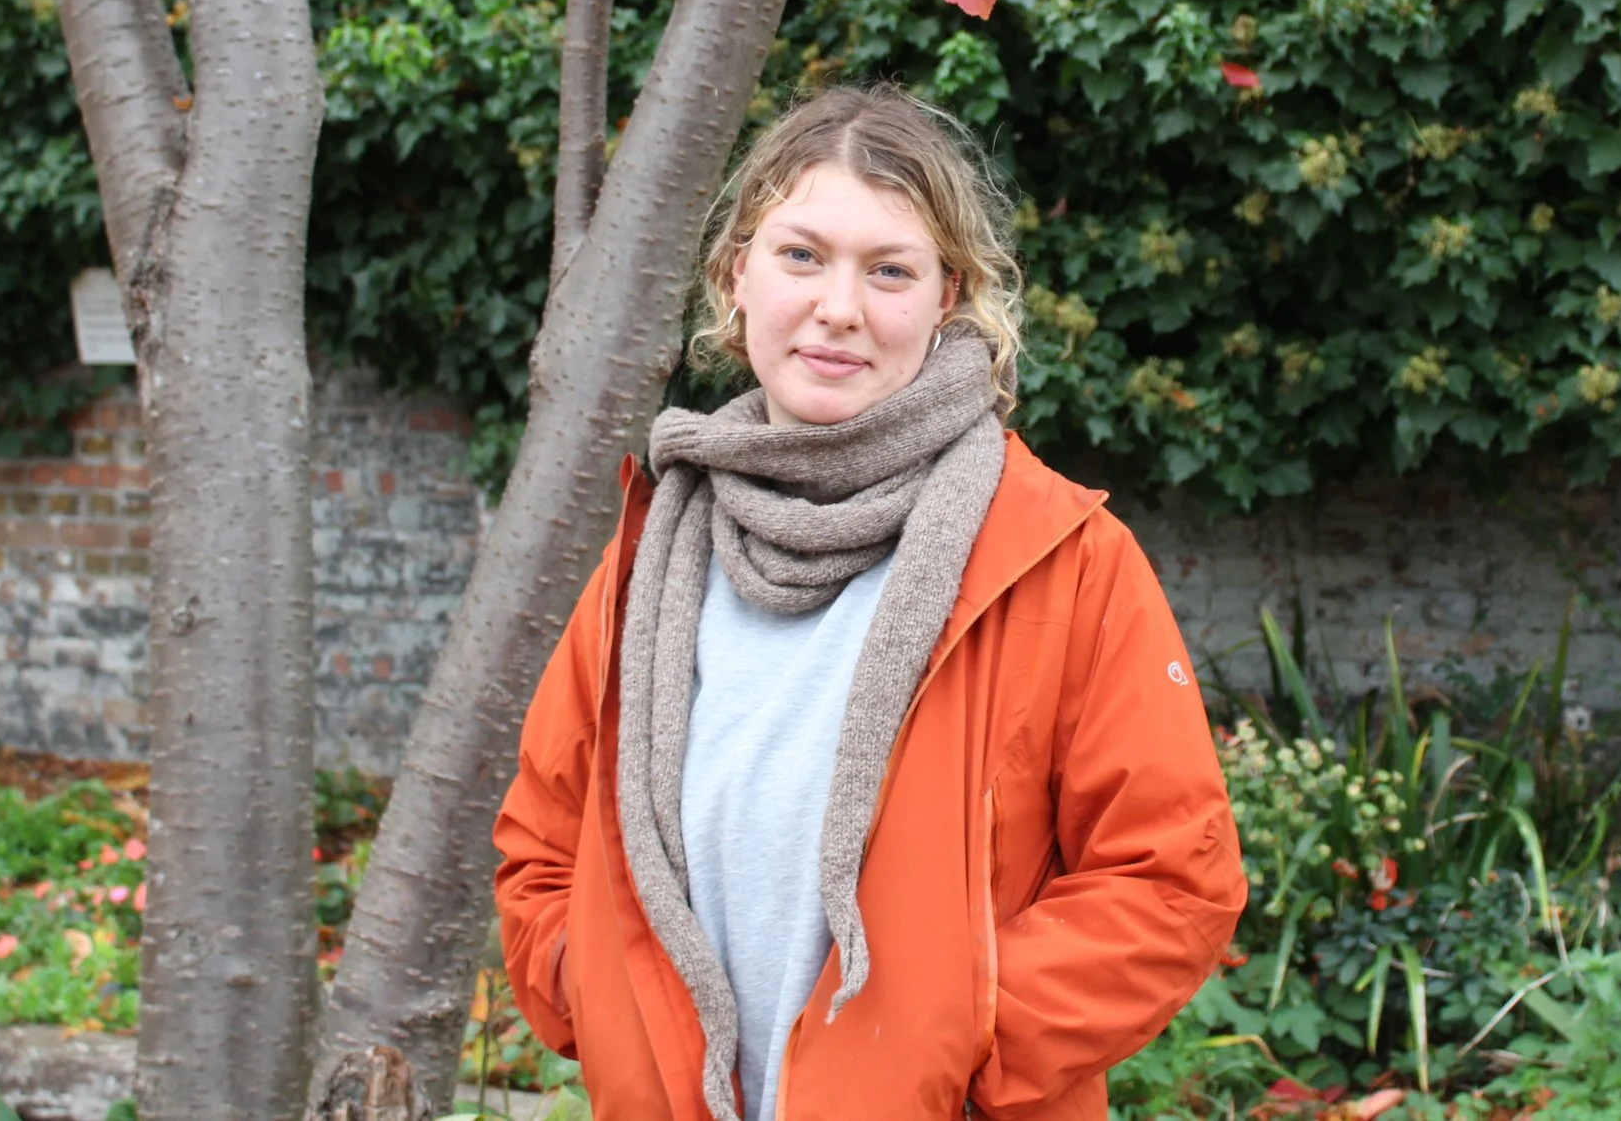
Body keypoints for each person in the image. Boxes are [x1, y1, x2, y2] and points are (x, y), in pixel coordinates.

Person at [493, 84, 1245, 1121]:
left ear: (947, 297)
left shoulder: (1063, 562)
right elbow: (542, 851)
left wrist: (949, 1046)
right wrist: (607, 1002)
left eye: (889, 269)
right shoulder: (646, 562)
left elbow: (1169, 880)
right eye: (801, 255)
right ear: (737, 273)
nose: (839, 307)